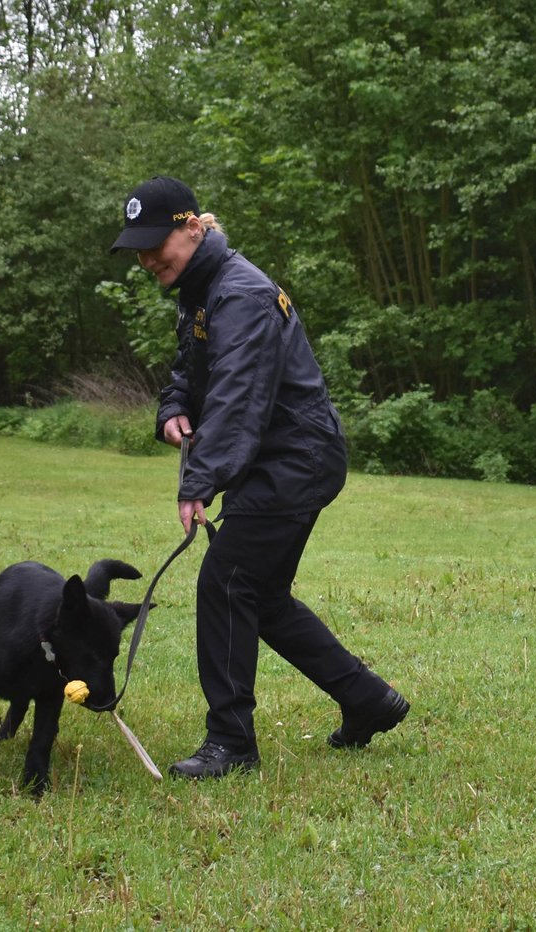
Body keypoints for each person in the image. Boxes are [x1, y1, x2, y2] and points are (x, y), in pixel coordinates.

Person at [110, 175, 410, 779]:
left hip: (294, 460)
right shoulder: (201, 290)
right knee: (259, 594)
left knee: (225, 584)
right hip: (277, 458)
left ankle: (231, 744)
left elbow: (237, 399)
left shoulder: (239, 294)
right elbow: (191, 375)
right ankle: (368, 700)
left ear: (192, 228)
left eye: (155, 245)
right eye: (137, 249)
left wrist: (198, 482)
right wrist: (172, 409)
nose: (146, 259)